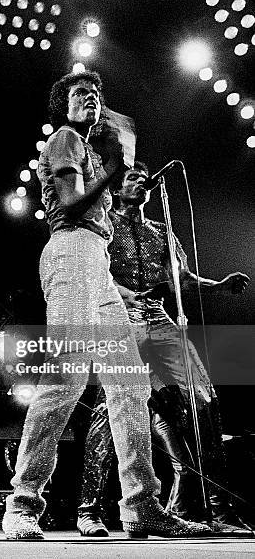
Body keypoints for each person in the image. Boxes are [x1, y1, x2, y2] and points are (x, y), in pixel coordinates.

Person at [1, 71, 211, 540]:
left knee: (130, 384)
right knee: (66, 378)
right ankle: (22, 504)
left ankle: (142, 506)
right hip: (71, 250)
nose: (91, 100)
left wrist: (115, 163)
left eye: (96, 95)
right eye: (81, 94)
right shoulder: (63, 139)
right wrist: (115, 175)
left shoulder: (94, 151)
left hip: (96, 260)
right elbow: (74, 206)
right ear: (63, 104)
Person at [77, 162, 251, 536]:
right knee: (113, 409)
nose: (142, 182)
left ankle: (219, 510)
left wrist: (218, 285)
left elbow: (181, 279)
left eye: (145, 179)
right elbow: (95, 275)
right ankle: (89, 510)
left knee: (203, 400)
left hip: (159, 321)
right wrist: (126, 294)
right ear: (117, 187)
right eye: (132, 178)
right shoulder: (102, 226)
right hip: (118, 318)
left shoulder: (162, 231)